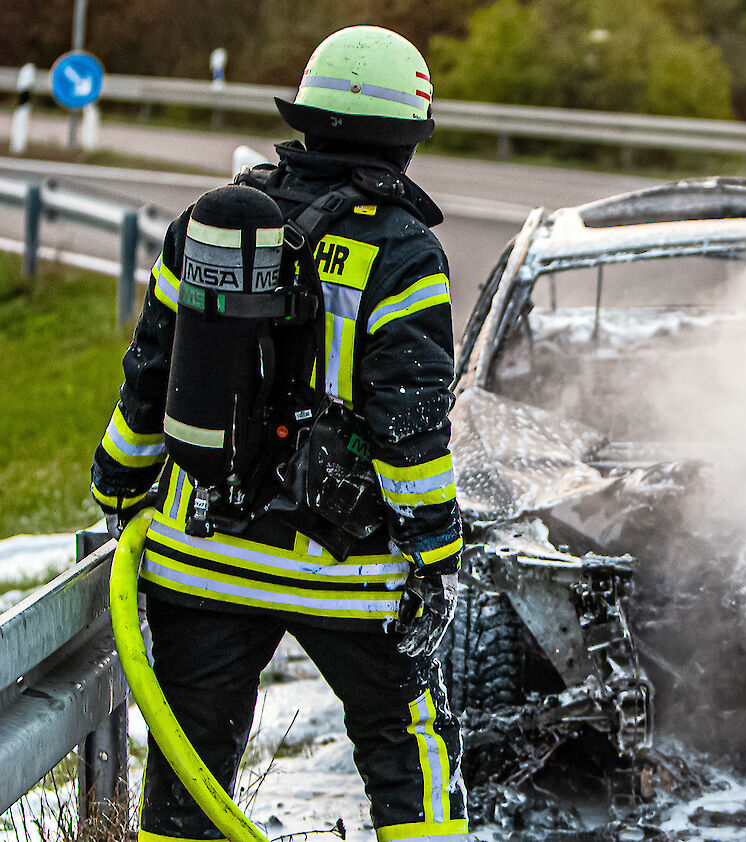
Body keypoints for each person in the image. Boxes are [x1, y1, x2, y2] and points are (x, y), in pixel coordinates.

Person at [89, 25, 468, 841]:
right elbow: (410, 431)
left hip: (203, 563)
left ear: (303, 116)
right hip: (348, 575)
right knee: (412, 760)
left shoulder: (210, 229)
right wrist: (436, 556)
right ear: (408, 137)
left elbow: (151, 383)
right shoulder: (403, 254)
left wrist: (115, 488)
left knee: (187, 786)